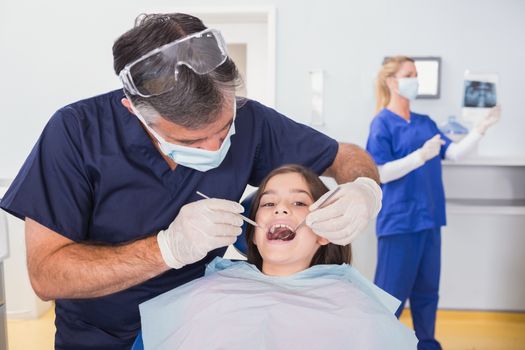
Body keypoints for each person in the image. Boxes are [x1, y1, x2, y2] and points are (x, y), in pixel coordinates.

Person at [0, 13, 382, 349]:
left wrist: (364, 190)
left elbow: (346, 157)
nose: (216, 146)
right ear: (135, 110)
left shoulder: (251, 122)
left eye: (224, 127)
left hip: (198, 328)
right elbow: (47, 275)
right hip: (101, 336)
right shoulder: (76, 133)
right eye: (192, 141)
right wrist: (167, 249)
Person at [136, 165, 417, 350]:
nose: (280, 209)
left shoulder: (357, 313)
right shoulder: (202, 295)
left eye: (298, 202)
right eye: (268, 203)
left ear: (325, 230)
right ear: (253, 233)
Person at [366, 56, 501, 350]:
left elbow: (453, 154)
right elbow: (380, 172)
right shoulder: (382, 123)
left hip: (429, 219)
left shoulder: (425, 123)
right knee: (390, 295)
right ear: (392, 82)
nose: (416, 79)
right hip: (399, 222)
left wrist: (481, 128)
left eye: (416, 74)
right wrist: (420, 157)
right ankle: (381, 343)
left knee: (427, 293)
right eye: (410, 74)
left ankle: (427, 344)